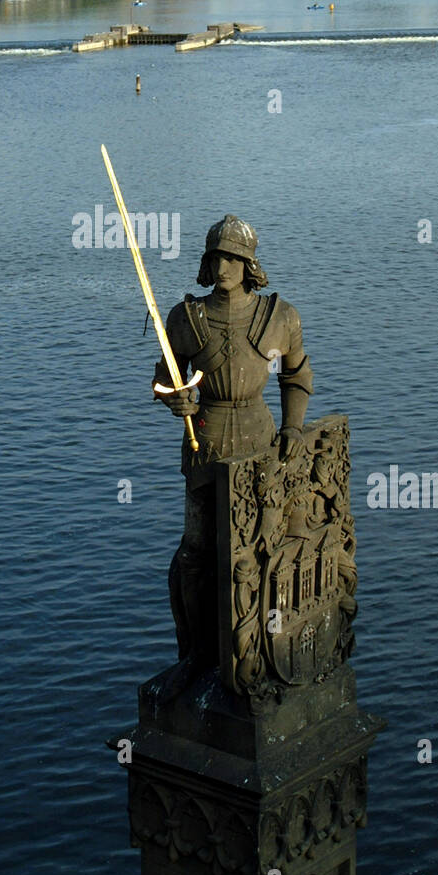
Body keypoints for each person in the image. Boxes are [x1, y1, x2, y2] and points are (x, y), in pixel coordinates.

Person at [153, 214, 313, 672]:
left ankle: (257, 653)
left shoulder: (279, 318)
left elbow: (296, 377)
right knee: (195, 553)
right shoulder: (186, 319)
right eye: (215, 257)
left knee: (257, 555)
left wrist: (294, 428)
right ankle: (195, 656)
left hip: (260, 447)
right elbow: (164, 380)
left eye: (231, 257)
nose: (222, 266)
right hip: (205, 446)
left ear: (248, 264)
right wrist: (176, 400)